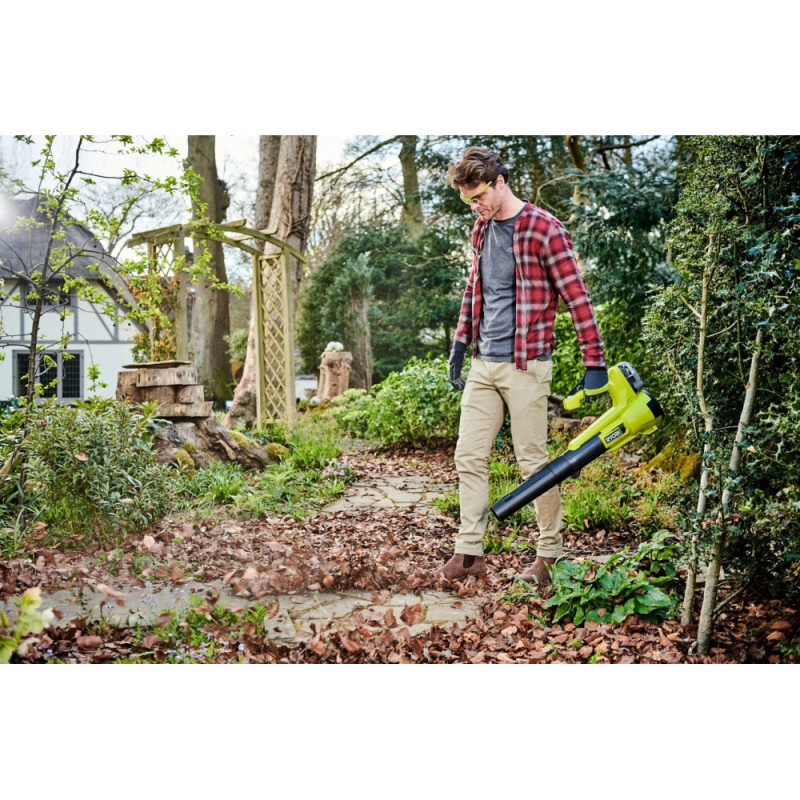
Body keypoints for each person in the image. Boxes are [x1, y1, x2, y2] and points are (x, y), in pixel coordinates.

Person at [439, 146, 608, 585]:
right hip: (484, 364)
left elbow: (577, 297)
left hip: (526, 365)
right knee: (468, 456)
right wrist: (460, 342)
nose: (474, 206)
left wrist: (594, 360)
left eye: (478, 196)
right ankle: (469, 552)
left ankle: (549, 555)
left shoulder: (544, 229)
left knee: (533, 464)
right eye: (467, 200)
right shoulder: (481, 229)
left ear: (499, 182)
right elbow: (474, 289)